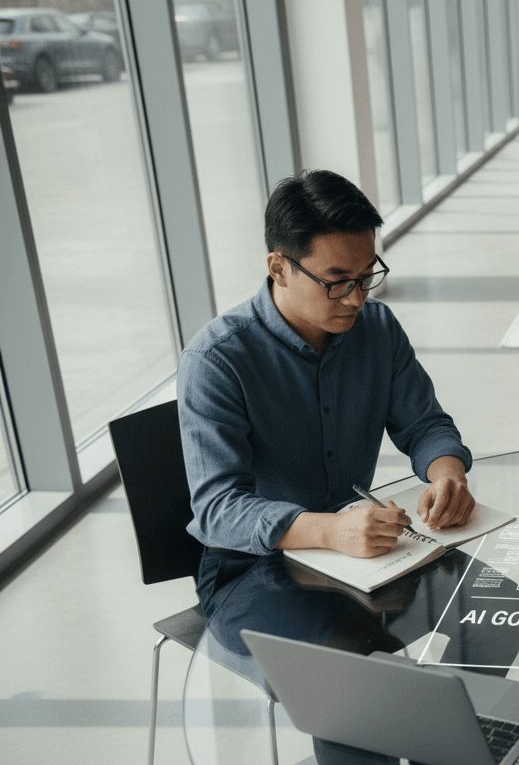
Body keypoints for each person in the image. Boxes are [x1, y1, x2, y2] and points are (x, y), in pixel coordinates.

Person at [179, 169, 477, 613]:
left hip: (360, 549)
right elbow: (219, 508)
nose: (356, 299)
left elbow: (424, 424)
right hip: (250, 565)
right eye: (336, 281)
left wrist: (448, 475)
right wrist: (331, 532)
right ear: (279, 268)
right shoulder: (217, 359)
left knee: (490, 609)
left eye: (366, 276)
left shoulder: (377, 329)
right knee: (338, 651)